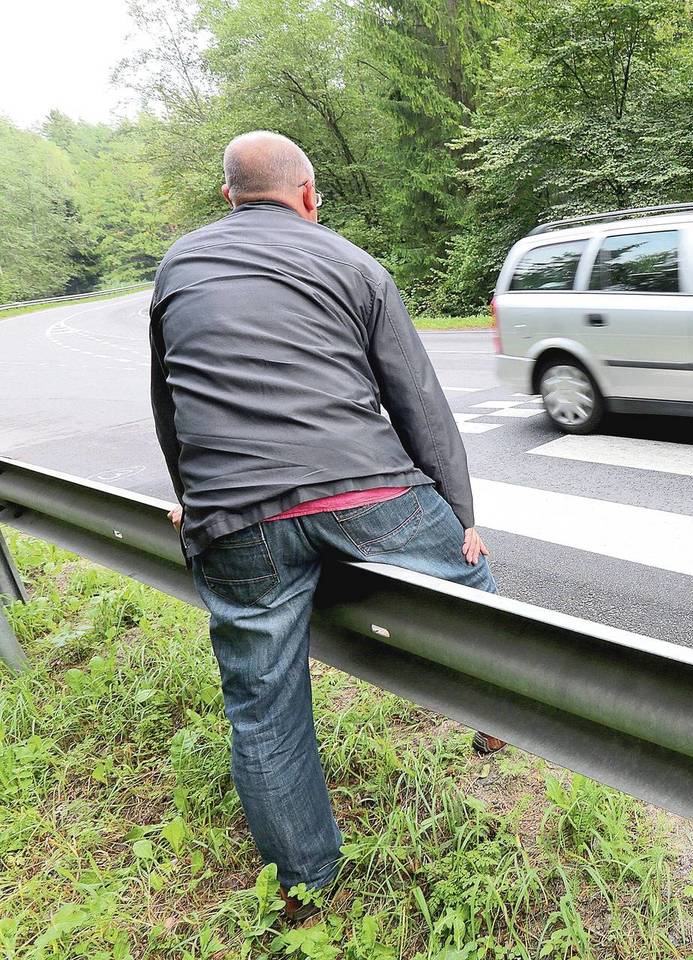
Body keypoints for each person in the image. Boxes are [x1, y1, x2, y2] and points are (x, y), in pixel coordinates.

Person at [149, 131, 498, 923]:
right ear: (308, 195)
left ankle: (306, 883)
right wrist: (463, 520)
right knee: (472, 578)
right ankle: (493, 722)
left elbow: (169, 406)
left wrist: (193, 499)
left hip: (234, 517)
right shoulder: (352, 263)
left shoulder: (178, 266)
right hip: (365, 492)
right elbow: (420, 405)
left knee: (262, 706)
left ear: (229, 196)